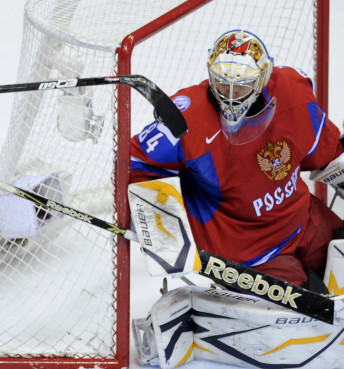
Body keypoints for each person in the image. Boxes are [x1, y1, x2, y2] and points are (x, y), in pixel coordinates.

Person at [130, 29, 344, 290]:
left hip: (302, 219)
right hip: (246, 252)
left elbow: (325, 151)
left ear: (263, 76)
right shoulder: (186, 117)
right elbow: (135, 162)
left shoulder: (292, 93)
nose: (230, 95)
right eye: (222, 82)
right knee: (307, 318)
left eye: (241, 84)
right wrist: (162, 232)